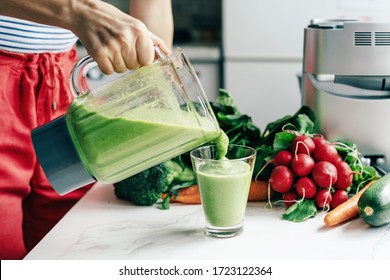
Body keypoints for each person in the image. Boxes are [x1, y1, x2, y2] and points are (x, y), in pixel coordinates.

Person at [0, 0, 173, 260]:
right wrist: (77, 11)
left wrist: (155, 95)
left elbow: (154, 6)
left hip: (62, 79)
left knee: (69, 249)